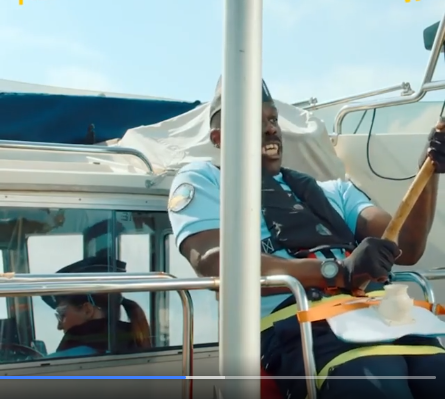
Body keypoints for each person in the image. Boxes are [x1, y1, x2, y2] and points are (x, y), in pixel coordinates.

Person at [167, 76, 445, 399]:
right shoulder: (204, 180)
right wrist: (339, 271)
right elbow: (214, 260)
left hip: (385, 314)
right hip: (301, 323)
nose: (270, 129)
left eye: (273, 119)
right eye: (253, 121)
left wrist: (430, 169)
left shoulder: (335, 191)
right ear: (219, 138)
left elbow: (406, 247)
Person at [42, 254, 152, 359]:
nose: (59, 326)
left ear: (87, 310)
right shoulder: (133, 343)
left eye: (62, 315)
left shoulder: (68, 357)